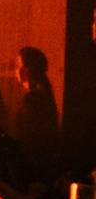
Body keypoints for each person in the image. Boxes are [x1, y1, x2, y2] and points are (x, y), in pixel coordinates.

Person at [9, 45, 64, 184]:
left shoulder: (33, 99)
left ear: (27, 70)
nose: (16, 70)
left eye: (19, 65)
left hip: (32, 168)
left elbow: (30, 137)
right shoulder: (43, 95)